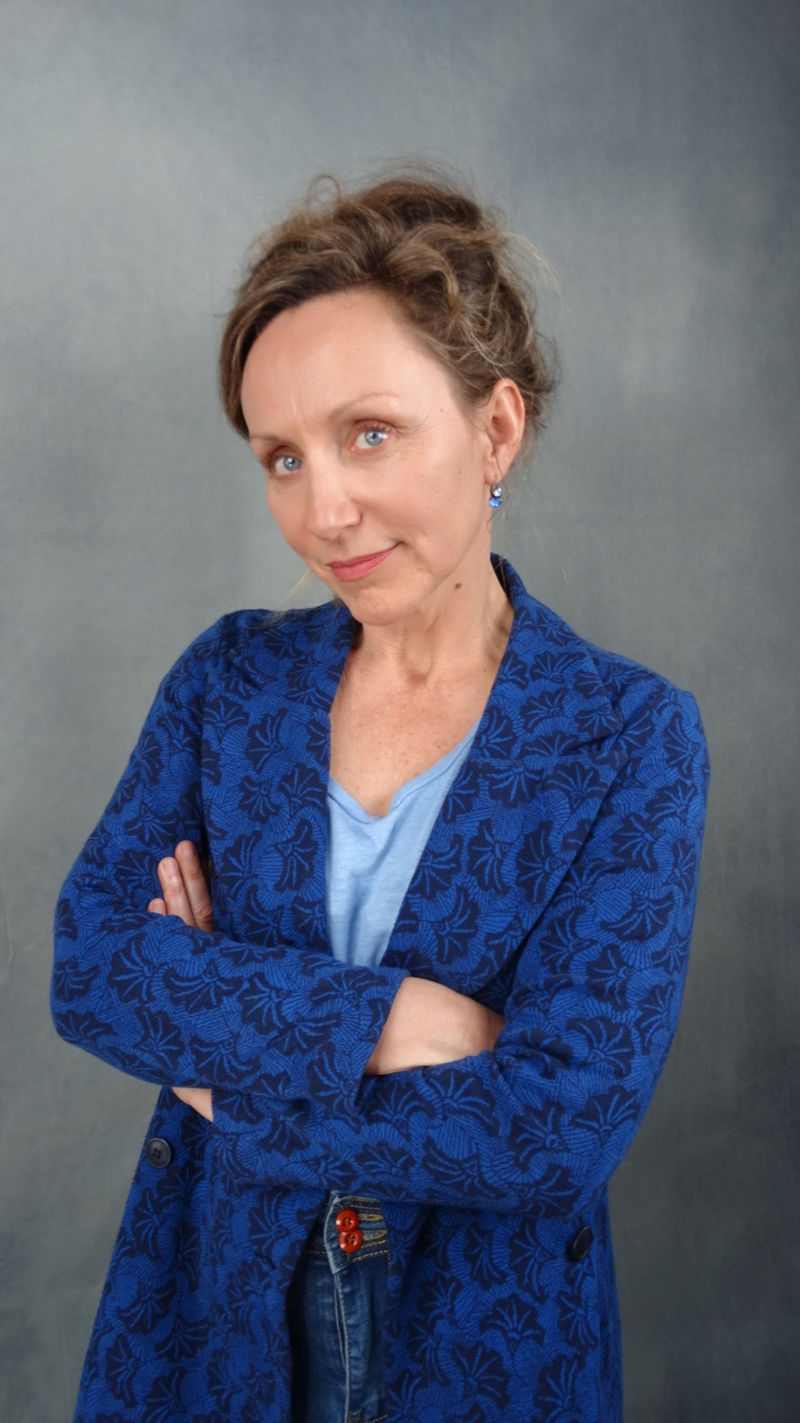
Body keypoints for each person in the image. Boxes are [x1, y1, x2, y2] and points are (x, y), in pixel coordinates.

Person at [52, 171, 709, 1423]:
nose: (323, 509)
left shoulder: (627, 736)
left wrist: (231, 1071)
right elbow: (94, 966)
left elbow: (553, 1126)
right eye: (282, 457)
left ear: (494, 430)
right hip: (211, 1320)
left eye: (369, 434)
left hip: (474, 1341)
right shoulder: (228, 682)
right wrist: (397, 1015)